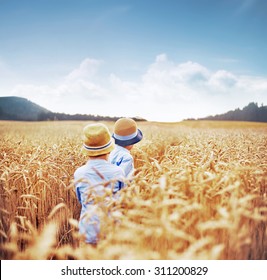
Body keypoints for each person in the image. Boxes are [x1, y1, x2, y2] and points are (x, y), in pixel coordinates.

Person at [74, 123, 125, 245]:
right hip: (112, 231)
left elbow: (81, 200)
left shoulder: (79, 173)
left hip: (87, 232)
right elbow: (122, 199)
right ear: (108, 149)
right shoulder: (118, 172)